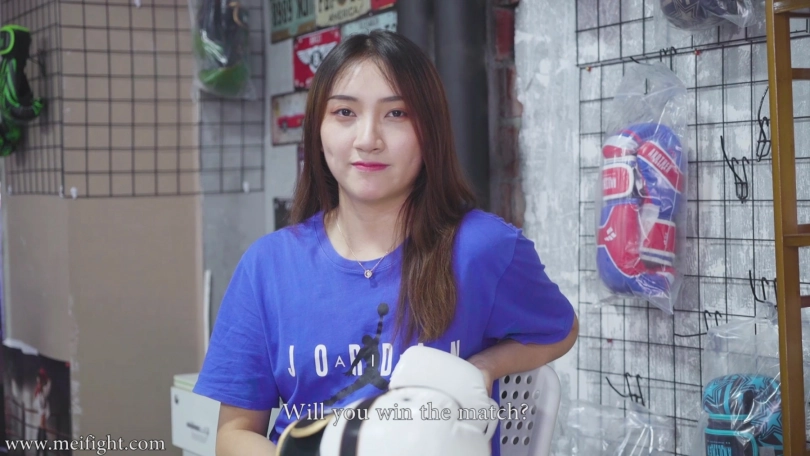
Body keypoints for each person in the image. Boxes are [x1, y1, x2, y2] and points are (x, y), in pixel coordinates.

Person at [192, 30, 578, 456]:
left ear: (429, 129)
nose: (368, 139)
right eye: (344, 112)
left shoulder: (483, 248)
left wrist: (483, 368)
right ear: (318, 130)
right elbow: (233, 434)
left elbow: (560, 329)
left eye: (396, 113)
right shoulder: (268, 266)